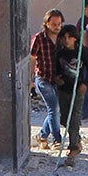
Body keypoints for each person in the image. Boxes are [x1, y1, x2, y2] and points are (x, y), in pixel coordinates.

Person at [29, 8, 66, 148]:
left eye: (59, 24)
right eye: (54, 24)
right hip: (43, 78)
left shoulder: (62, 37)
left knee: (56, 110)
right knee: (53, 108)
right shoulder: (38, 38)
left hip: (57, 79)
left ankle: (42, 135)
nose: (57, 27)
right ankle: (57, 139)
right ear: (47, 23)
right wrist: (31, 80)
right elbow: (32, 58)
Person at [53, 23, 88, 163]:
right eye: (64, 37)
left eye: (70, 37)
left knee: (74, 119)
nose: (67, 40)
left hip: (77, 89)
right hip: (63, 90)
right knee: (65, 119)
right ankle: (77, 140)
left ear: (75, 38)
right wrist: (56, 79)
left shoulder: (82, 52)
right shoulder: (59, 53)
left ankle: (73, 148)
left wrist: (85, 84)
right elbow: (56, 70)